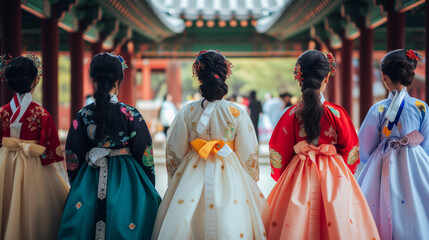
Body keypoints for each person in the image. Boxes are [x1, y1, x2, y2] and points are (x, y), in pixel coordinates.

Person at [152, 50, 269, 239]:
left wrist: (176, 178)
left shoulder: (186, 112)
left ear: (199, 77)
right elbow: (249, 155)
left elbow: (174, 151)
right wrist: (249, 180)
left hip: (192, 172)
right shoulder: (237, 112)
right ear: (225, 76)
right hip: (230, 171)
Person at [267, 50, 379, 239]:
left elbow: (277, 152)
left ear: (299, 77)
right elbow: (352, 149)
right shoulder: (336, 113)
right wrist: (343, 172)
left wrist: (284, 177)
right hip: (334, 173)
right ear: (327, 77)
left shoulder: (290, 115)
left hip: (298, 172)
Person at [58, 53, 161, 239]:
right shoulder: (131, 114)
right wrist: (147, 184)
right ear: (119, 79)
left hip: (89, 174)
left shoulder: (82, 115)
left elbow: (72, 154)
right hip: (127, 178)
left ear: (92, 79)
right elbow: (144, 152)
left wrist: (78, 183)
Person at [357, 49, 429, 239]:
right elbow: (426, 141)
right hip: (416, 161)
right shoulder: (422, 107)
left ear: (384, 77)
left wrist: (371, 159)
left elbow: (365, 145)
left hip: (384, 161)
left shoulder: (378, 109)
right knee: (418, 204)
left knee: (377, 205)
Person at [0, 55, 69, 239]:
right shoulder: (41, 114)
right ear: (34, 81)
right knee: (37, 209)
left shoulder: (2, 112)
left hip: (5, 162)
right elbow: (52, 149)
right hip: (33, 162)